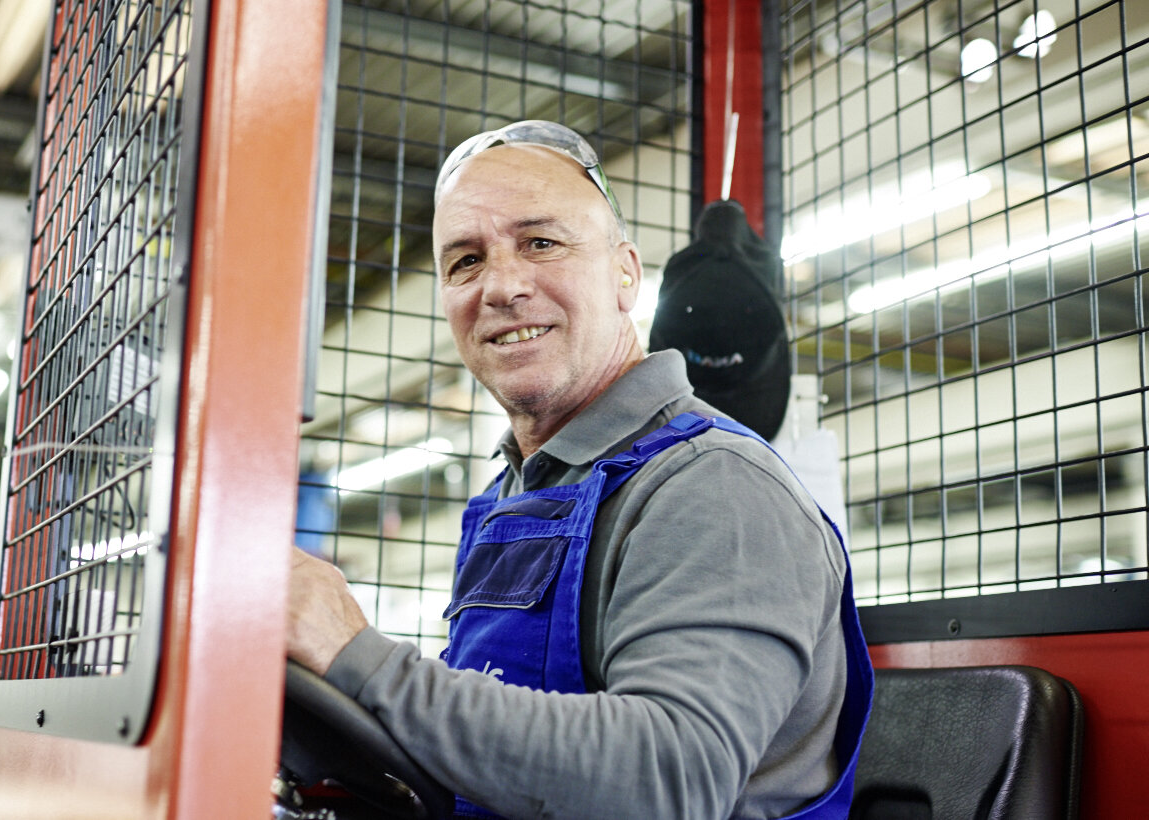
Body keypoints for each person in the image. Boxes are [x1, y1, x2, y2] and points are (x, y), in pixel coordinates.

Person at [287, 121, 870, 820]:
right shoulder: (515, 496)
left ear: (625, 273)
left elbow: (667, 781)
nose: (501, 285)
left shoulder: (715, 486)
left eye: (541, 242)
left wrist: (359, 657)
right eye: (465, 260)